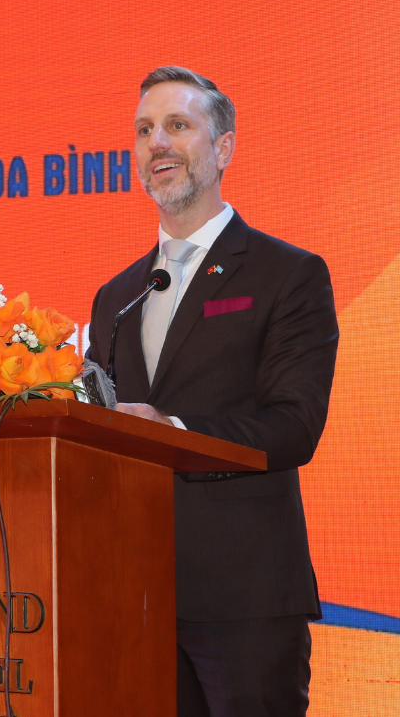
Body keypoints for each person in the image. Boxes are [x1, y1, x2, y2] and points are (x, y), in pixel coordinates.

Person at [84, 66, 339, 717]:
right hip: (136, 596)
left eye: (177, 125)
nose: (156, 143)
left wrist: (167, 431)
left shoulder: (289, 274)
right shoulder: (116, 297)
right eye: (143, 130)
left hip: (245, 596)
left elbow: (294, 427)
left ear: (222, 148)